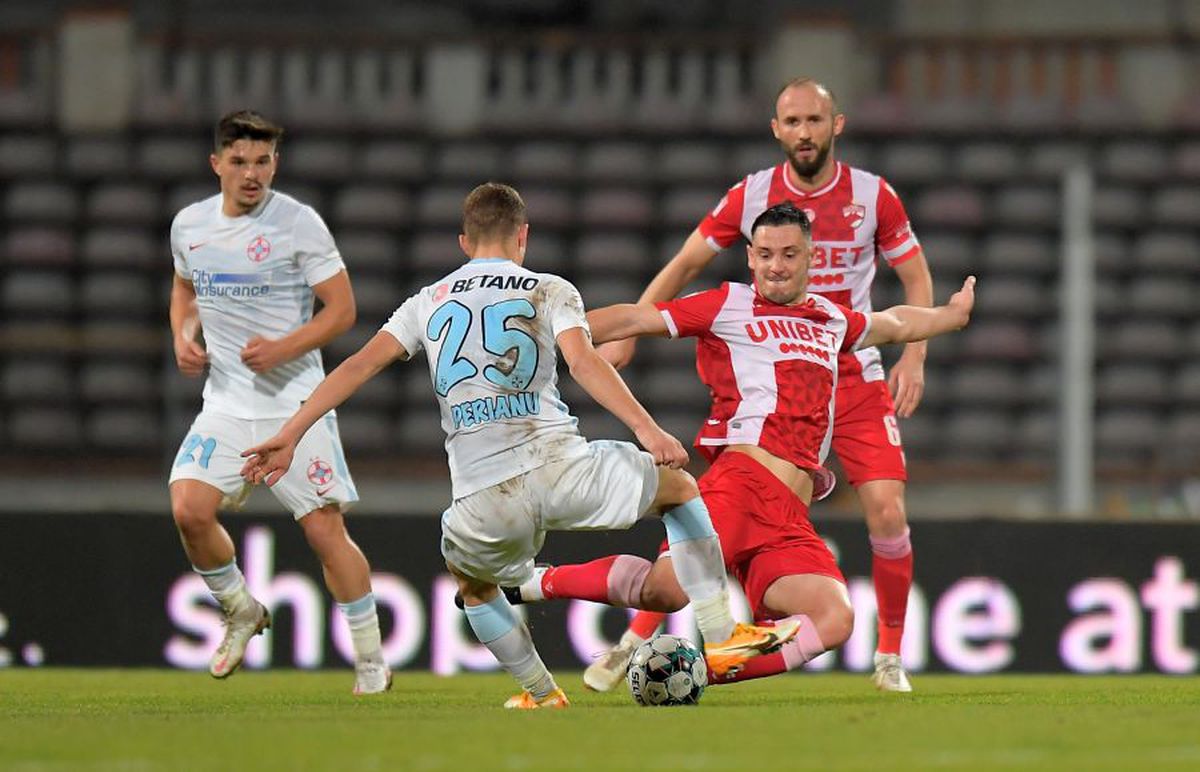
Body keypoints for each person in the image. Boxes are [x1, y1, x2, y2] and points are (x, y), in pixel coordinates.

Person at [238, 182, 800, 709]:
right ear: (523, 236)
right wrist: (646, 429)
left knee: (474, 585)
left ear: (463, 241)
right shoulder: (550, 288)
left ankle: (540, 692)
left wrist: (290, 435)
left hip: (484, 492)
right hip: (561, 466)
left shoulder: (426, 301)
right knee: (679, 489)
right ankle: (722, 635)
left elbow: (359, 365)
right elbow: (582, 362)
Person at [499, 203, 974, 690]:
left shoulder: (831, 319)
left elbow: (894, 323)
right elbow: (636, 318)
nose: (777, 266)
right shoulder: (728, 304)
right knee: (665, 592)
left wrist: (950, 317)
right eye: (766, 254)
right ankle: (533, 582)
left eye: (790, 254)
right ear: (750, 257)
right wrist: (551, 329)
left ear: (811, 256)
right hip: (740, 486)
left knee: (835, 618)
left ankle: (707, 669)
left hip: (791, 513)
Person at [591, 77, 934, 692]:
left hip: (853, 368)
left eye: (815, 120)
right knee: (733, 516)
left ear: (837, 125)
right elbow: (687, 263)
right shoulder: (750, 196)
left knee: (886, 508)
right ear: (777, 129)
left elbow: (917, 280)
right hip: (778, 366)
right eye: (792, 121)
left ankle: (889, 655)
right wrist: (632, 332)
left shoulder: (873, 196)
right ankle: (636, 640)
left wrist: (916, 358)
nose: (804, 132)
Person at [168, 110, 389, 694]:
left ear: (275, 164)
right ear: (217, 164)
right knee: (189, 508)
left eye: (262, 161)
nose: (251, 173)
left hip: (296, 403)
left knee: (323, 532)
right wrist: (181, 334)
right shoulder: (189, 224)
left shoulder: (299, 224)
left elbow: (343, 310)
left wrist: (285, 346)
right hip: (226, 403)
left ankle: (370, 662)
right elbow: (185, 288)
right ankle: (240, 608)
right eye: (239, 161)